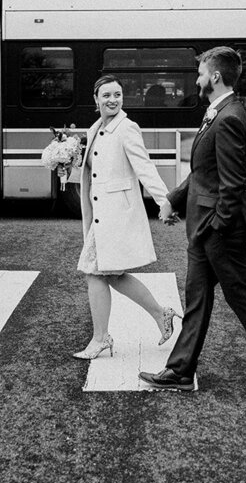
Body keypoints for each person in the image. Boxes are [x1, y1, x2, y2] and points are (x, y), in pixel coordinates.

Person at [140, 46, 246, 394]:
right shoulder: (219, 112)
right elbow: (205, 173)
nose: (198, 79)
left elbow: (232, 185)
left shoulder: (229, 117)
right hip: (205, 227)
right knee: (197, 295)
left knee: (241, 296)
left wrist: (214, 226)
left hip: (219, 229)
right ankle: (181, 371)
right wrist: (173, 200)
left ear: (215, 77)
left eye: (201, 73)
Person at [72, 74, 180, 360]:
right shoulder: (96, 127)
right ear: (96, 99)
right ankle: (161, 314)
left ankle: (100, 338)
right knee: (111, 274)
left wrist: (165, 201)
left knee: (94, 272)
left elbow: (145, 168)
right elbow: (95, 169)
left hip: (117, 213)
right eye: (106, 95)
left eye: (117, 95)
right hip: (101, 213)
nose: (112, 100)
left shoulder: (127, 128)